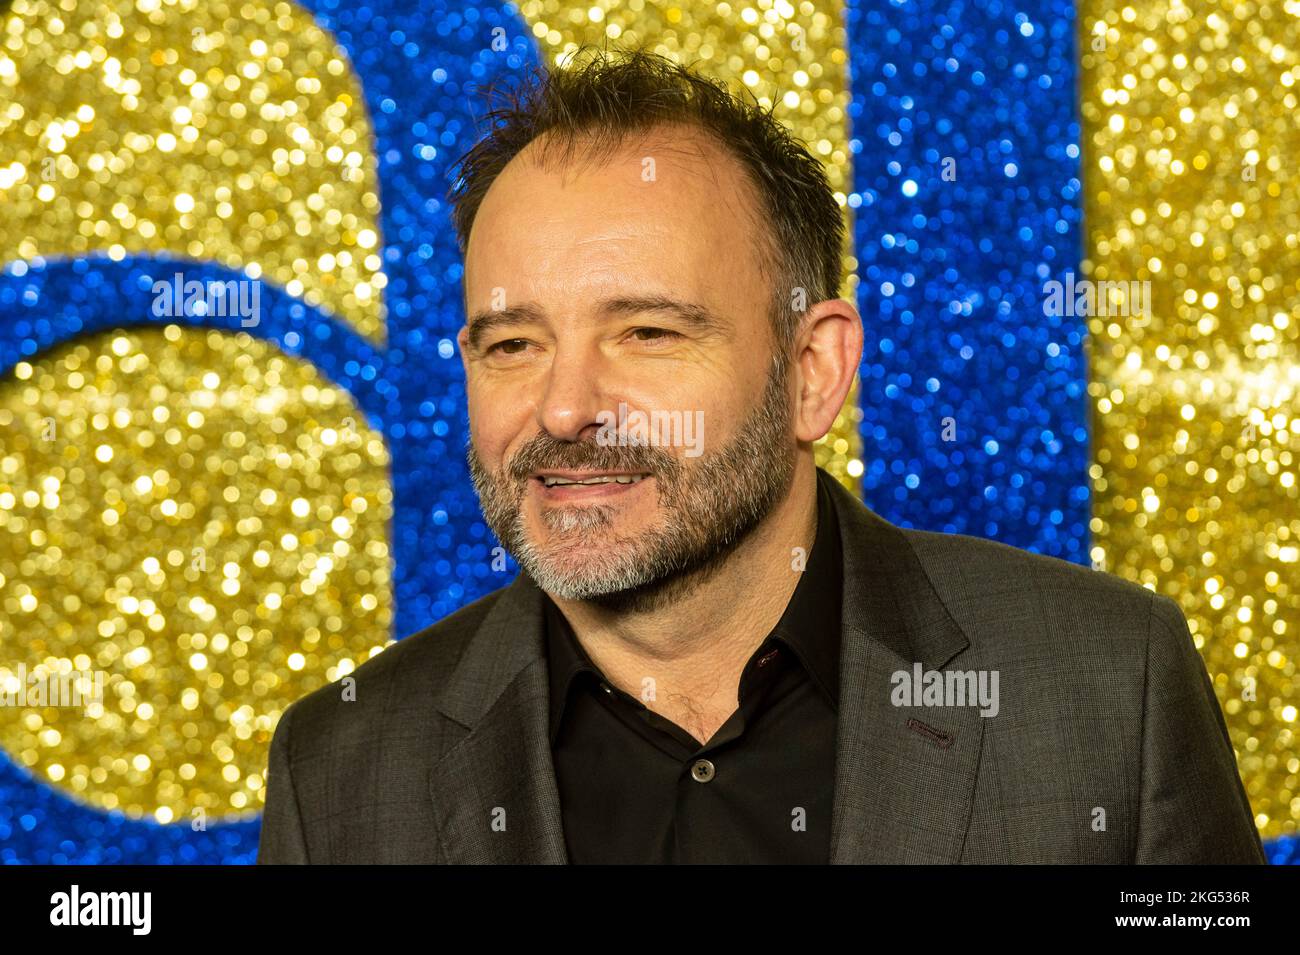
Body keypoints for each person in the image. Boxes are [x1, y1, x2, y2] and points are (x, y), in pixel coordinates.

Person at [257, 47, 1264, 864]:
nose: (563, 407)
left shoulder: (1102, 686)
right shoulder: (343, 771)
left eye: (647, 332)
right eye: (510, 343)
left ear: (813, 370)